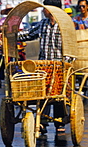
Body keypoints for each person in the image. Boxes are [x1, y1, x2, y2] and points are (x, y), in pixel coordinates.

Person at [18, 0, 66, 133]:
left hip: (59, 66)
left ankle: (59, 121)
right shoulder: (42, 24)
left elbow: (72, 45)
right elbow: (28, 34)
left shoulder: (65, 24)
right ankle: (43, 121)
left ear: (51, 9)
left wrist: (66, 63)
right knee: (43, 93)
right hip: (44, 65)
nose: (42, 11)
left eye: (44, 8)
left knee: (58, 94)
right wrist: (10, 35)